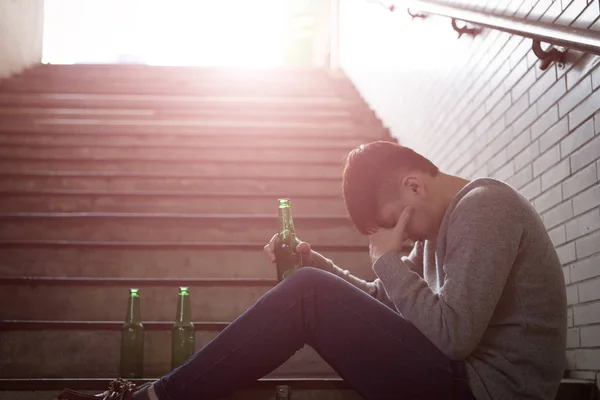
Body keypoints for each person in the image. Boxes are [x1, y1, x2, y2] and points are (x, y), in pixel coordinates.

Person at [57, 141, 567, 400]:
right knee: (309, 287)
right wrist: (315, 263)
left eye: (395, 225)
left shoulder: (485, 208)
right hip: (464, 382)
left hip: (488, 392)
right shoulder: (438, 228)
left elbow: (453, 336)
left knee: (308, 294)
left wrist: (387, 259)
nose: (404, 237)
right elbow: (388, 302)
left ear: (414, 187)